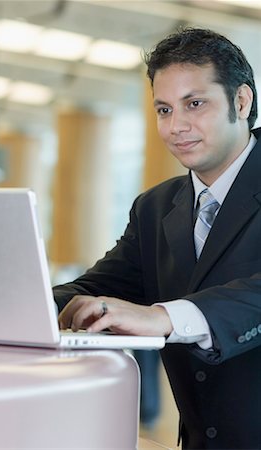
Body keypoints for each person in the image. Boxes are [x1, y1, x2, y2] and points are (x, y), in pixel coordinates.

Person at [53, 28, 261, 450]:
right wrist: (8, 302)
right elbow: (94, 289)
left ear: (241, 101)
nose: (176, 126)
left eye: (194, 104)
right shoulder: (154, 208)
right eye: (163, 110)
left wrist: (165, 316)